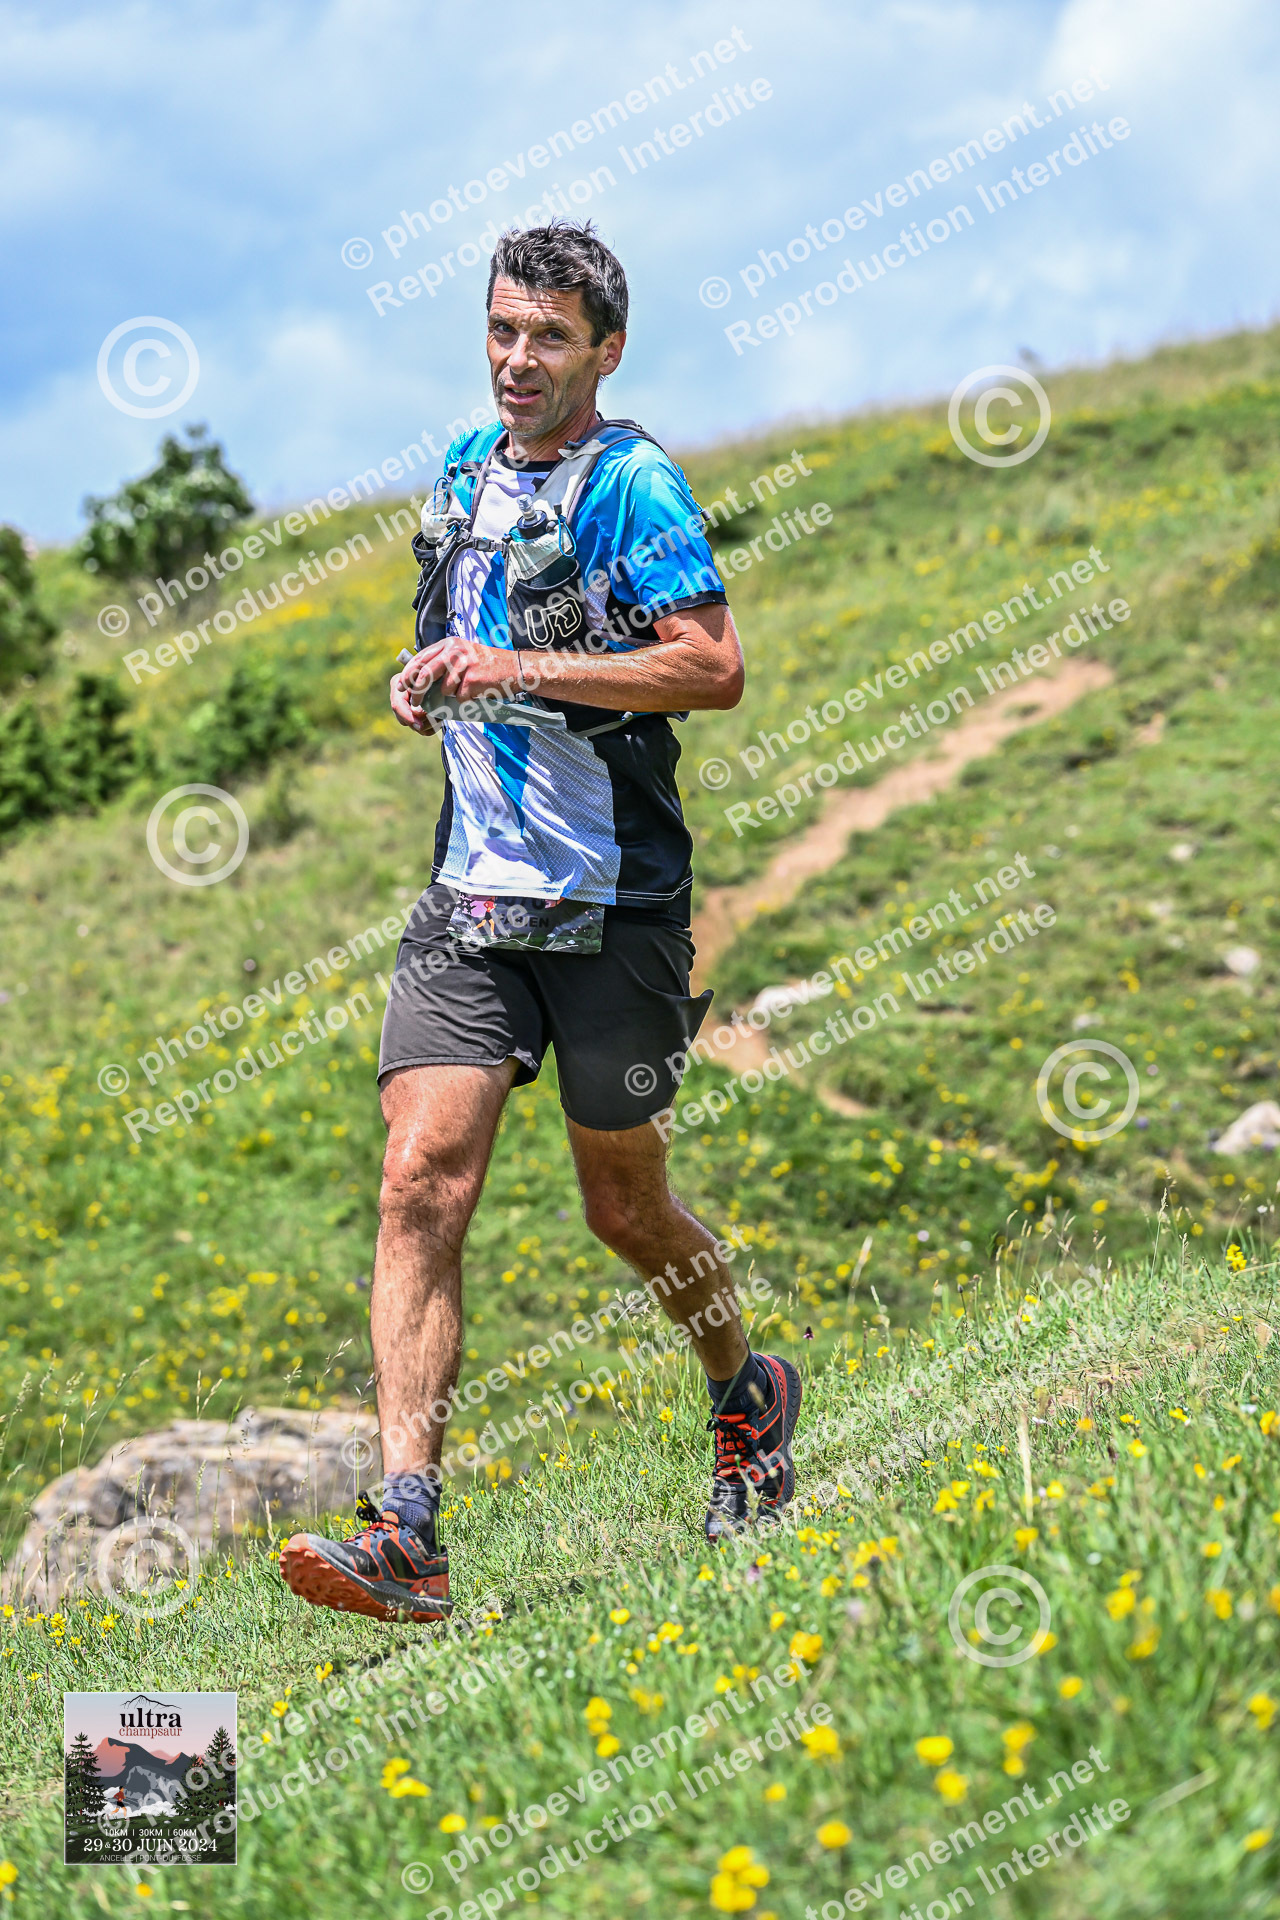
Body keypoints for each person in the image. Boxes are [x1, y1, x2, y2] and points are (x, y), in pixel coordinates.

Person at [280, 221, 801, 1624]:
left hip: (615, 901)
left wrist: (510, 665)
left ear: (606, 351)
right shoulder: (462, 470)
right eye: (504, 329)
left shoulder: (634, 485)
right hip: (471, 900)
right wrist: (427, 677)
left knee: (623, 1206)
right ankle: (408, 1526)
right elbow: (466, 632)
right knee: (418, 1180)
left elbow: (712, 668)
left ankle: (746, 1394)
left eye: (551, 337)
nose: (519, 359)